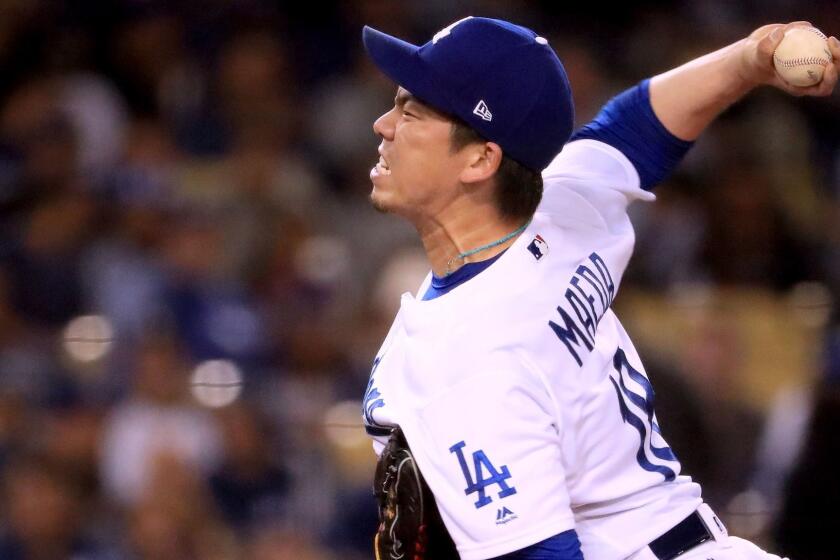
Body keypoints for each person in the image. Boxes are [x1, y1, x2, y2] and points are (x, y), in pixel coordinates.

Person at [359, 16, 838, 560]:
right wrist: (748, 60)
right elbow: (633, 130)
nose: (383, 124)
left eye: (411, 110)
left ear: (480, 159)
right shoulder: (557, 213)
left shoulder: (460, 362)